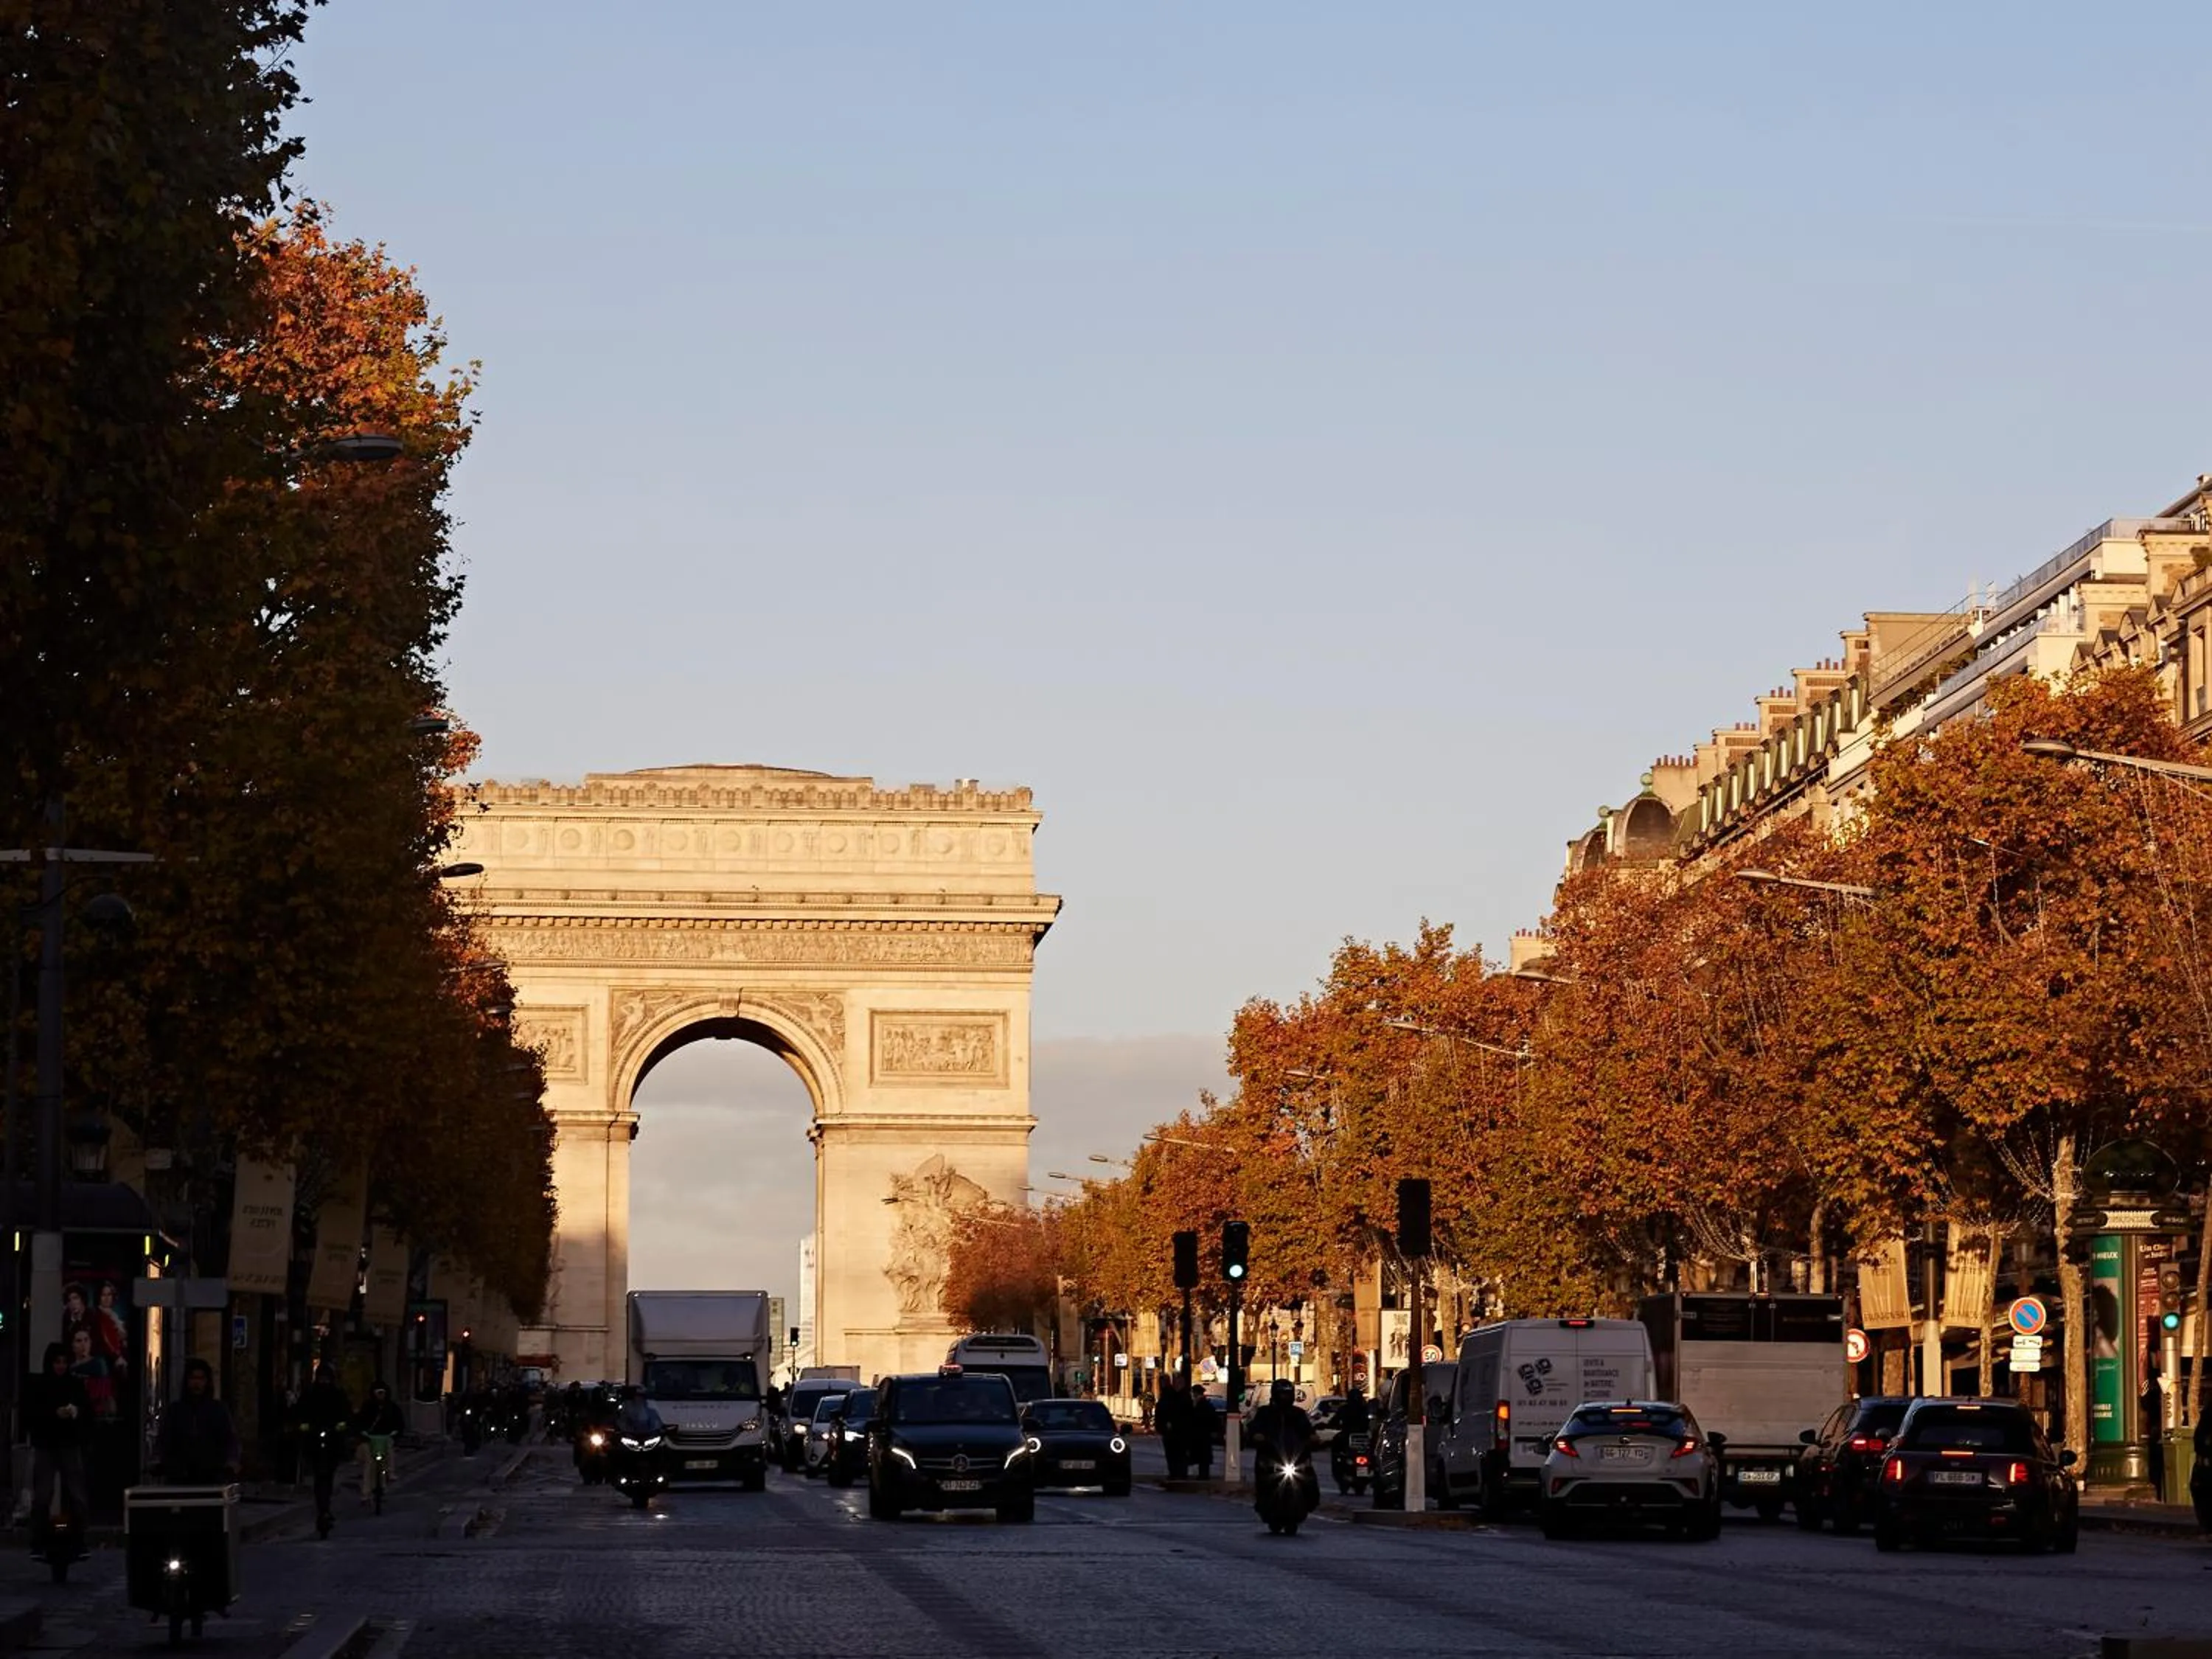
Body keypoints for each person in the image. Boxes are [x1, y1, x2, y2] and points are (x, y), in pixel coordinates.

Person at [25, 1342, 91, 1556]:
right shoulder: (40, 1385)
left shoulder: (74, 1385)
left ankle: (79, 1539)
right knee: (43, 1494)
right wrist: (54, 1414)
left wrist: (75, 1412)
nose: (61, 1366)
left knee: (77, 1493)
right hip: (47, 1444)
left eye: (64, 1362)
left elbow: (86, 1410)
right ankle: (39, 1540)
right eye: (57, 1362)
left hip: (69, 1444)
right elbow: (33, 1413)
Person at [154, 1359, 241, 1484]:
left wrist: (232, 1462)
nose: (197, 1383)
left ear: (207, 1382)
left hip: (212, 1476)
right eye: (193, 1378)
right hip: (179, 1477)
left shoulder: (219, 1410)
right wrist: (159, 1460)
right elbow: (164, 1439)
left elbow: (230, 1439)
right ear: (187, 1381)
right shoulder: (175, 1410)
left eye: (201, 1379)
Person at [298, 1363, 352, 1530]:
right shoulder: (309, 1394)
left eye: (326, 1378)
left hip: (333, 1440)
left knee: (329, 1475)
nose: (324, 1382)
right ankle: (321, 1508)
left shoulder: (338, 1395)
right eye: (321, 1378)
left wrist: (341, 1427)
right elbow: (300, 1413)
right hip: (314, 1439)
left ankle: (326, 1507)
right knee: (318, 1475)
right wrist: (304, 1426)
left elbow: (346, 1414)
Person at [350, 1381, 406, 1502]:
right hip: (369, 1440)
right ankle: (366, 1494)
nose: (380, 1395)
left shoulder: (392, 1407)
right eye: (378, 1393)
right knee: (369, 1464)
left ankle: (390, 1473)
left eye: (382, 1393)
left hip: (385, 1438)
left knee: (389, 1451)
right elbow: (359, 1422)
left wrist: (396, 1433)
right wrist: (362, 1433)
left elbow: (399, 1423)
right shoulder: (367, 1406)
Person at [1155, 1374, 1190, 1480]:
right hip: (1170, 1429)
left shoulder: (1171, 1395)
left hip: (1173, 1430)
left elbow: (1173, 1411)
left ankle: (1178, 1473)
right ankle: (1176, 1473)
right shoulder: (1169, 1394)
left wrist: (1169, 1423)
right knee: (1173, 1453)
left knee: (1176, 1453)